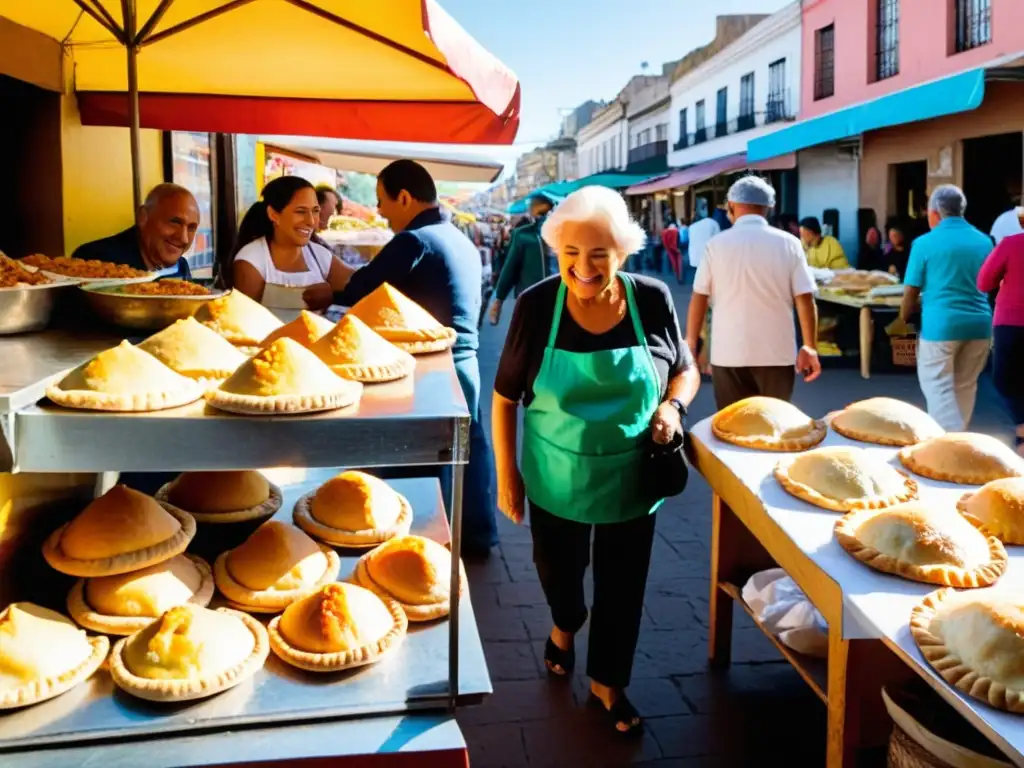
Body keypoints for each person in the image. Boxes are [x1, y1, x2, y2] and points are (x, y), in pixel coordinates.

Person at [492, 186, 699, 736]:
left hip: (632, 471)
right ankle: (564, 623)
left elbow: (686, 367)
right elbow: (505, 396)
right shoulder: (537, 305)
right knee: (558, 572)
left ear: (623, 252)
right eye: (570, 254)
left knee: (623, 585)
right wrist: (506, 475)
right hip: (555, 473)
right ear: (557, 251)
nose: (583, 268)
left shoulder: (651, 298)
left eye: (599, 255)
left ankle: (609, 681)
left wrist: (674, 408)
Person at [332, 159, 498, 556]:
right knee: (468, 447)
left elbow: (358, 289)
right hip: (464, 361)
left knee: (421, 452)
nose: (380, 213)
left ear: (404, 197)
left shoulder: (414, 240)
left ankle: (419, 543)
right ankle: (477, 537)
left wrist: (323, 277)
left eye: (382, 202)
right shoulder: (457, 237)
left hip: (432, 365)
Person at [686, 176, 821, 409]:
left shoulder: (716, 245)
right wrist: (809, 346)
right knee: (774, 426)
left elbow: (699, 297)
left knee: (731, 428)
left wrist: (690, 344)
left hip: (728, 354)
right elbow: (805, 298)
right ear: (768, 208)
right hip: (777, 355)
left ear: (731, 205)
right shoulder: (789, 243)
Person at [900, 185, 993, 432]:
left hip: (940, 326)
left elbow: (911, 290)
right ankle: (958, 444)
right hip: (980, 326)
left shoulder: (924, 243)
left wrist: (903, 316)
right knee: (964, 385)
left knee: (937, 387)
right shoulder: (984, 241)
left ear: (934, 213)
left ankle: (948, 445)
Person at [223, 176, 350, 312]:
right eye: (301, 211)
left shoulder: (319, 255)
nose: (311, 221)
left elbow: (362, 286)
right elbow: (245, 320)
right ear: (273, 214)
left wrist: (333, 295)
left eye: (315, 211)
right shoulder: (251, 260)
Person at [72, 183, 199, 278]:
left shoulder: (181, 267)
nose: (183, 238)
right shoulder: (95, 261)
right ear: (143, 217)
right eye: (175, 222)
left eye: (191, 228)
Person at [977, 231, 1024, 448]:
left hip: (1011, 322)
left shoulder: (1011, 243)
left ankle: (1020, 426)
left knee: (1004, 380)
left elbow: (984, 282)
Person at [488, 193, 557, 325]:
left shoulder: (523, 235)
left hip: (530, 297)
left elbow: (510, 269)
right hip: (558, 297)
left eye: (531, 205)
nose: (529, 208)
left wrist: (499, 301)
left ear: (537, 208)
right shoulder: (562, 231)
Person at [661, 217, 683, 283]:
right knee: (679, 263)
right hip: (676, 248)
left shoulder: (664, 232)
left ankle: (677, 275)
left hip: (669, 249)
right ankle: (679, 277)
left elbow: (664, 241)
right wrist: (677, 248)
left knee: (674, 263)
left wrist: (667, 248)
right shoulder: (676, 231)